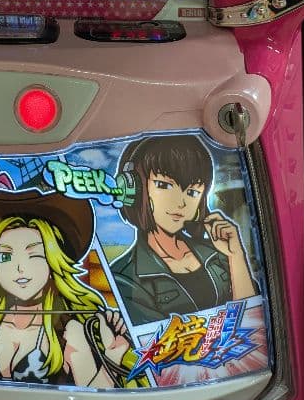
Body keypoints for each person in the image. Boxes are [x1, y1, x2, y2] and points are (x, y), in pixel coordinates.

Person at [0, 188, 142, 387]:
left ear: (53, 262)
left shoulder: (68, 331)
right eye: (5, 256)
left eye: (34, 255)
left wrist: (113, 355)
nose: (20, 268)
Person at [110, 135, 257, 326]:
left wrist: (236, 256)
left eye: (192, 192)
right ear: (134, 190)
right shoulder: (125, 278)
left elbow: (253, 322)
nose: (181, 203)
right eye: (164, 185)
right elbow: (154, 342)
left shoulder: (218, 253)